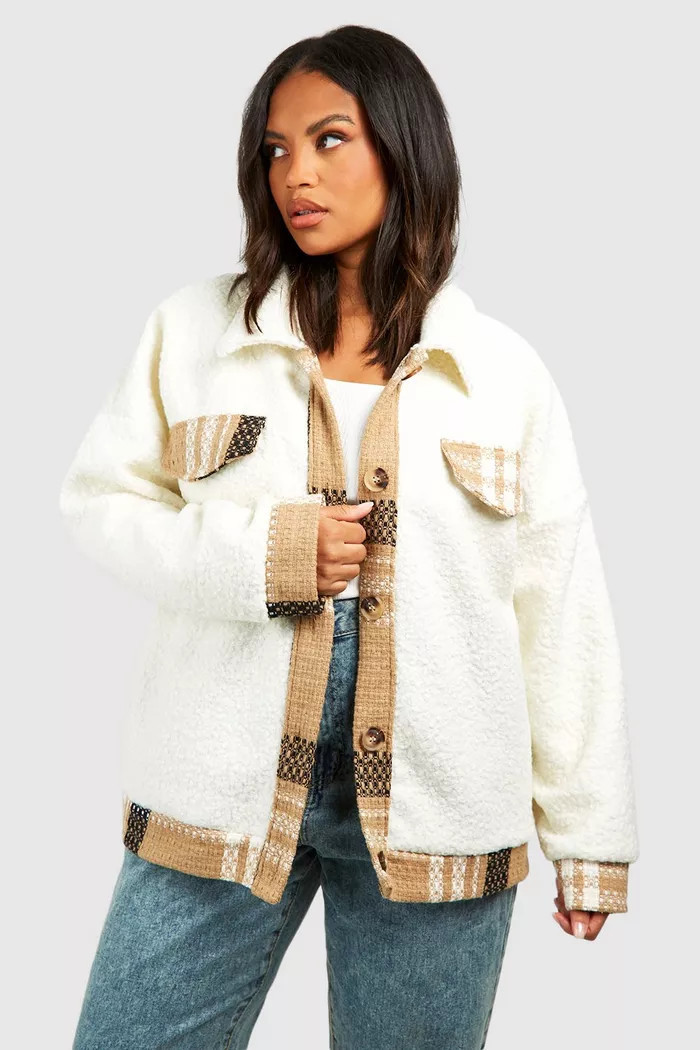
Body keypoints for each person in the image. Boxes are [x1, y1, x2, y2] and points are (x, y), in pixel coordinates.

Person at [60, 24, 640, 1050]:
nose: (297, 174)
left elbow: (561, 610)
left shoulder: (502, 374)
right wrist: (260, 558)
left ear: (404, 147)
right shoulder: (195, 333)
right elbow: (101, 507)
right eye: (275, 150)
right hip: (219, 799)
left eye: (330, 139)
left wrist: (589, 836)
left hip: (441, 808)